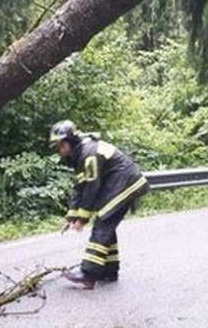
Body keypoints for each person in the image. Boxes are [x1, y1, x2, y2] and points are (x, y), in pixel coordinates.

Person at [49, 120, 150, 289]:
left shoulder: (89, 153)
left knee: (103, 222)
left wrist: (83, 218)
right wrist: (72, 216)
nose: (60, 150)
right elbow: (80, 187)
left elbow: (92, 188)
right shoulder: (80, 154)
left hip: (126, 183)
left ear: (70, 141)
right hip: (119, 183)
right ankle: (109, 271)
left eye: (61, 145)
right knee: (106, 224)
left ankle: (88, 273)